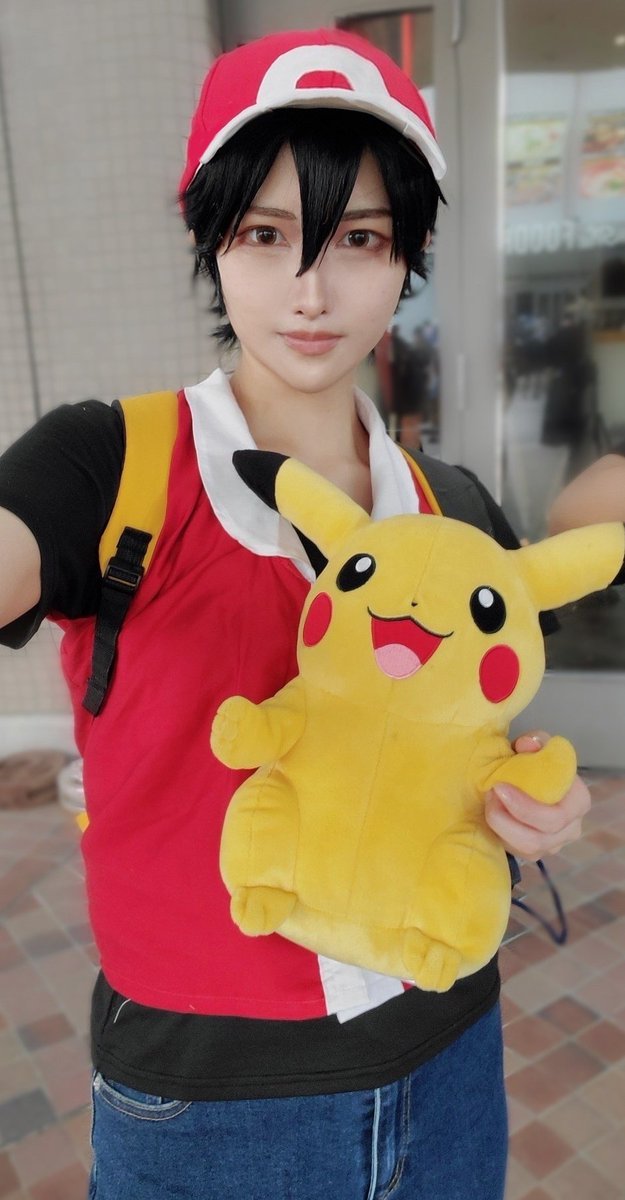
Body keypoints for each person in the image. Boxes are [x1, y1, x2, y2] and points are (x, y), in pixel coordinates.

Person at [0, 27, 591, 1200]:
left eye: (358, 240)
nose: (311, 291)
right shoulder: (107, 465)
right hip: (207, 1106)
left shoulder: (451, 509)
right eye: (265, 235)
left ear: (408, 255)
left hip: (449, 1052)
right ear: (208, 237)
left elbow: (476, 745)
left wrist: (535, 805)